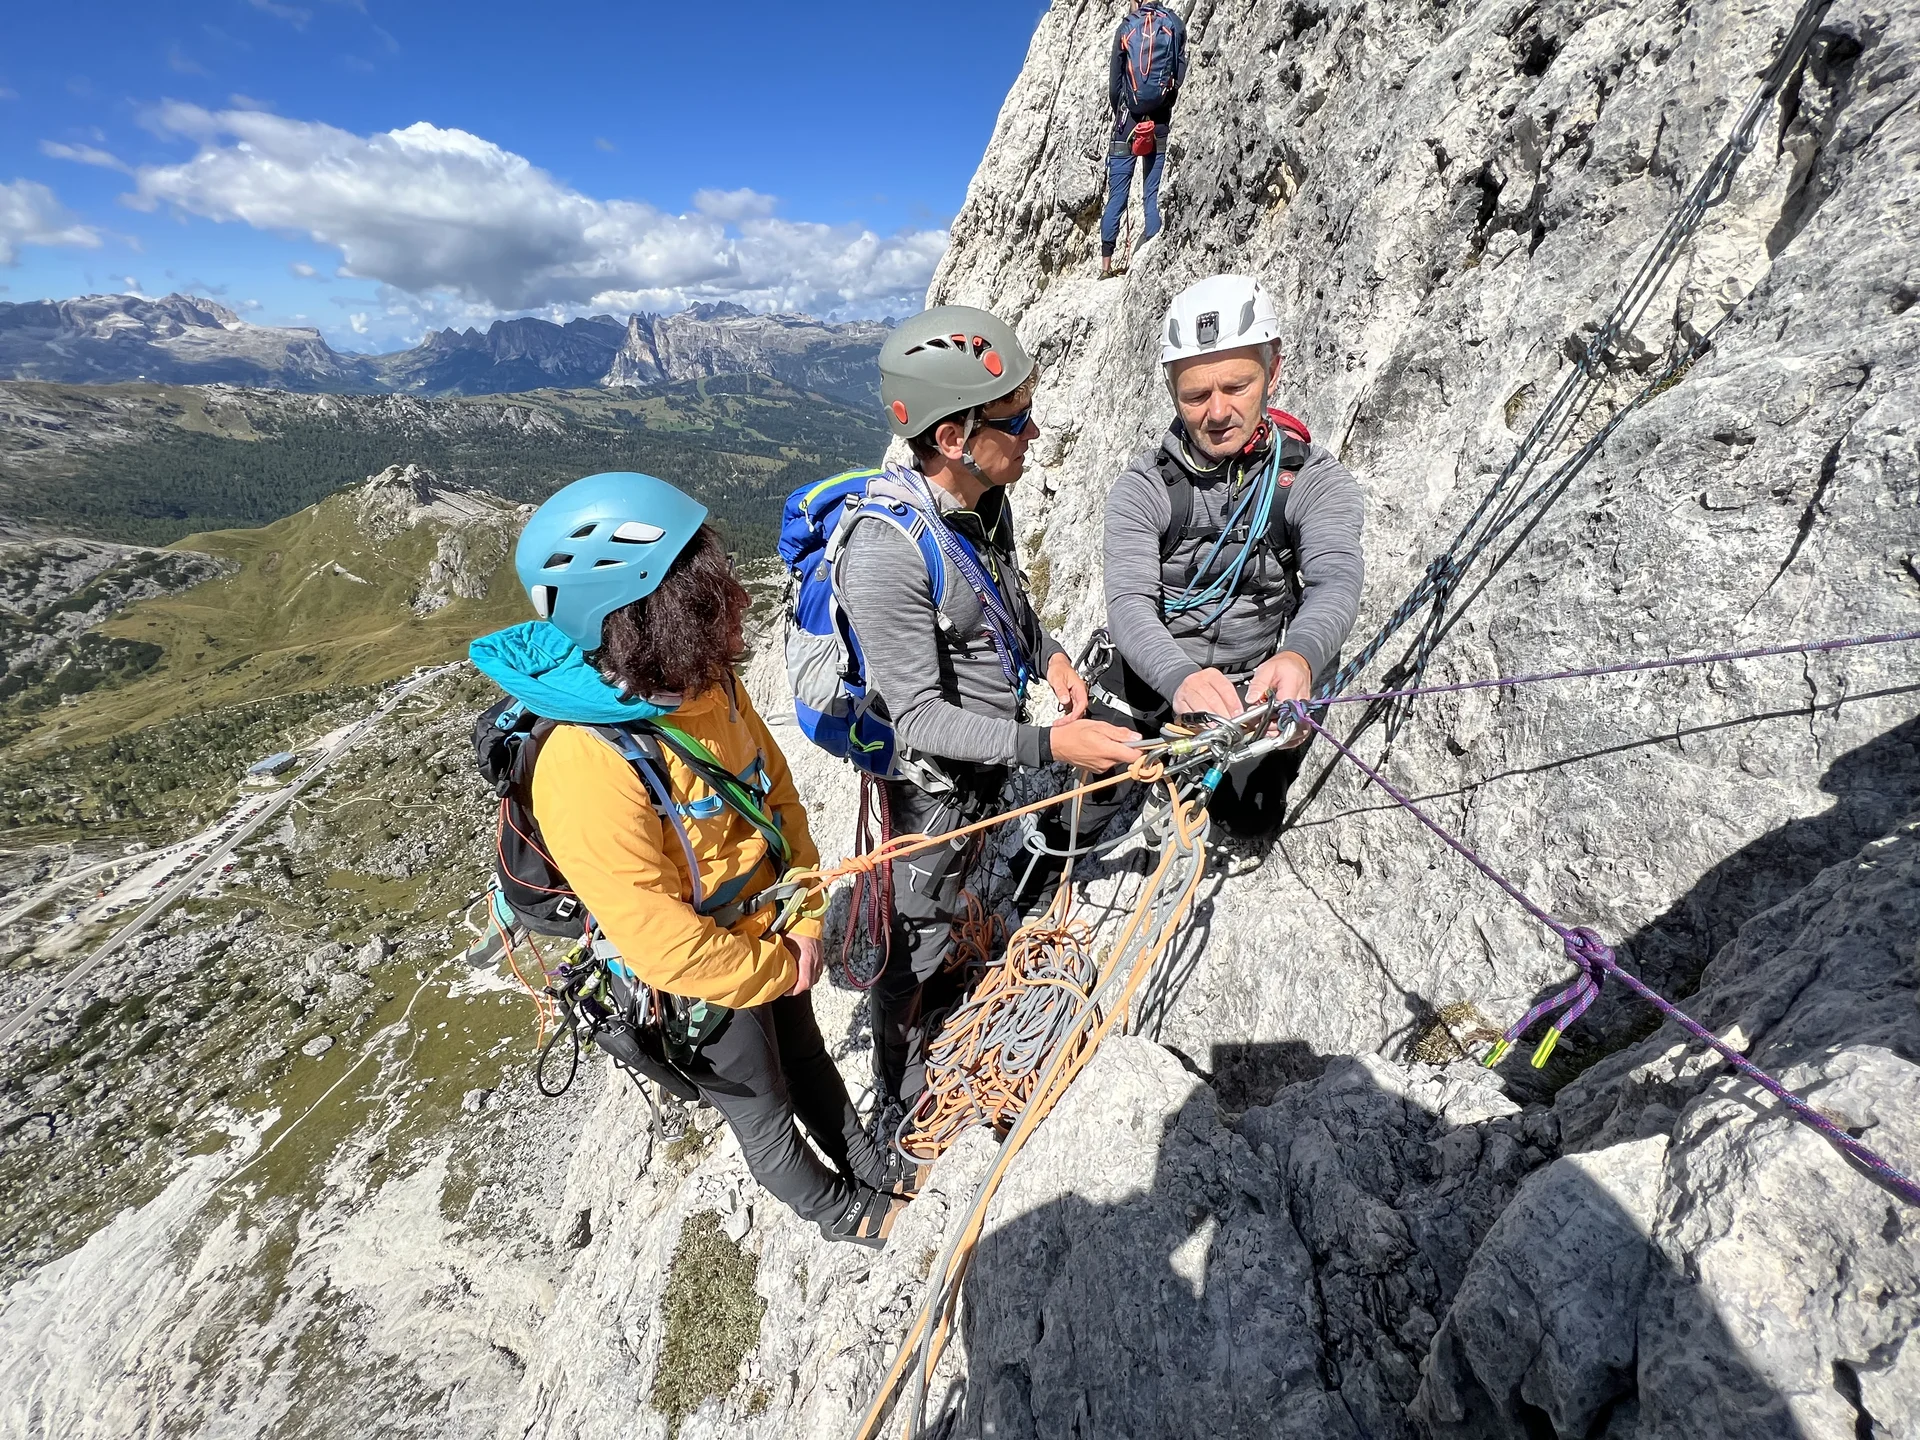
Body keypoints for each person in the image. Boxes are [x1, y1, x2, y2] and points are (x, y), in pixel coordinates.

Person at [475, 472, 905, 1246]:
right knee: (763, 1108)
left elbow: (779, 802)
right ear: (635, 613)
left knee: (805, 1057)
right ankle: (846, 1215)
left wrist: (803, 920)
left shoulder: (705, 683)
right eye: (700, 587)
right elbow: (661, 942)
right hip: (697, 975)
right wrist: (776, 968)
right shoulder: (585, 763)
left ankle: (872, 1165)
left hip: (769, 927)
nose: (729, 597)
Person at [835, 306, 1140, 1142]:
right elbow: (920, 717)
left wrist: (1053, 659)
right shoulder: (886, 549)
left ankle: (952, 968)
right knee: (916, 932)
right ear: (952, 435)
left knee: (955, 891)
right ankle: (900, 1095)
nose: (1034, 433)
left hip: (989, 760)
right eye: (1015, 420)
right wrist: (1046, 745)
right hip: (930, 786)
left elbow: (1005, 602)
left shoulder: (983, 501)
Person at [1099, 275, 1366, 838]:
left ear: (1274, 371)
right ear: (1172, 392)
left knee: (1249, 820)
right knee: (1090, 805)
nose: (1217, 412)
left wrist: (1299, 657)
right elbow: (1129, 602)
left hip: (1260, 681)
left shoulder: (1312, 481)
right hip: (1162, 678)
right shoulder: (1144, 489)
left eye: (1237, 387)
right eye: (1195, 396)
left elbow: (1335, 579)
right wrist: (1179, 679)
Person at [1102, 0, 1188, 278]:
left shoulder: (1127, 26)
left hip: (1128, 120)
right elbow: (1180, 72)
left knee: (1117, 196)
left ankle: (1105, 266)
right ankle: (1151, 251)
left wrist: (1122, 112)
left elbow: (1115, 84)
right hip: (1159, 119)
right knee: (1151, 192)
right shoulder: (1174, 22)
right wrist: (1165, 104)